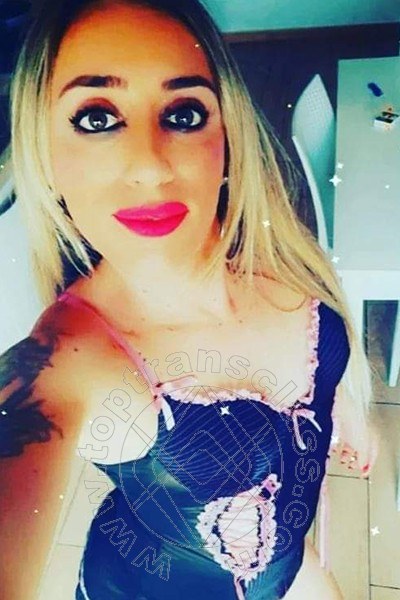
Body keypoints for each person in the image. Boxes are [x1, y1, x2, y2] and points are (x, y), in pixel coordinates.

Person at [0, 0, 379, 598]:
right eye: (96, 118)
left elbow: (318, 371)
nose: (151, 168)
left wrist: (345, 410)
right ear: (44, 157)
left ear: (225, 137)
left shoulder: (272, 251)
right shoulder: (70, 361)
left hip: (290, 564)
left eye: (183, 113)